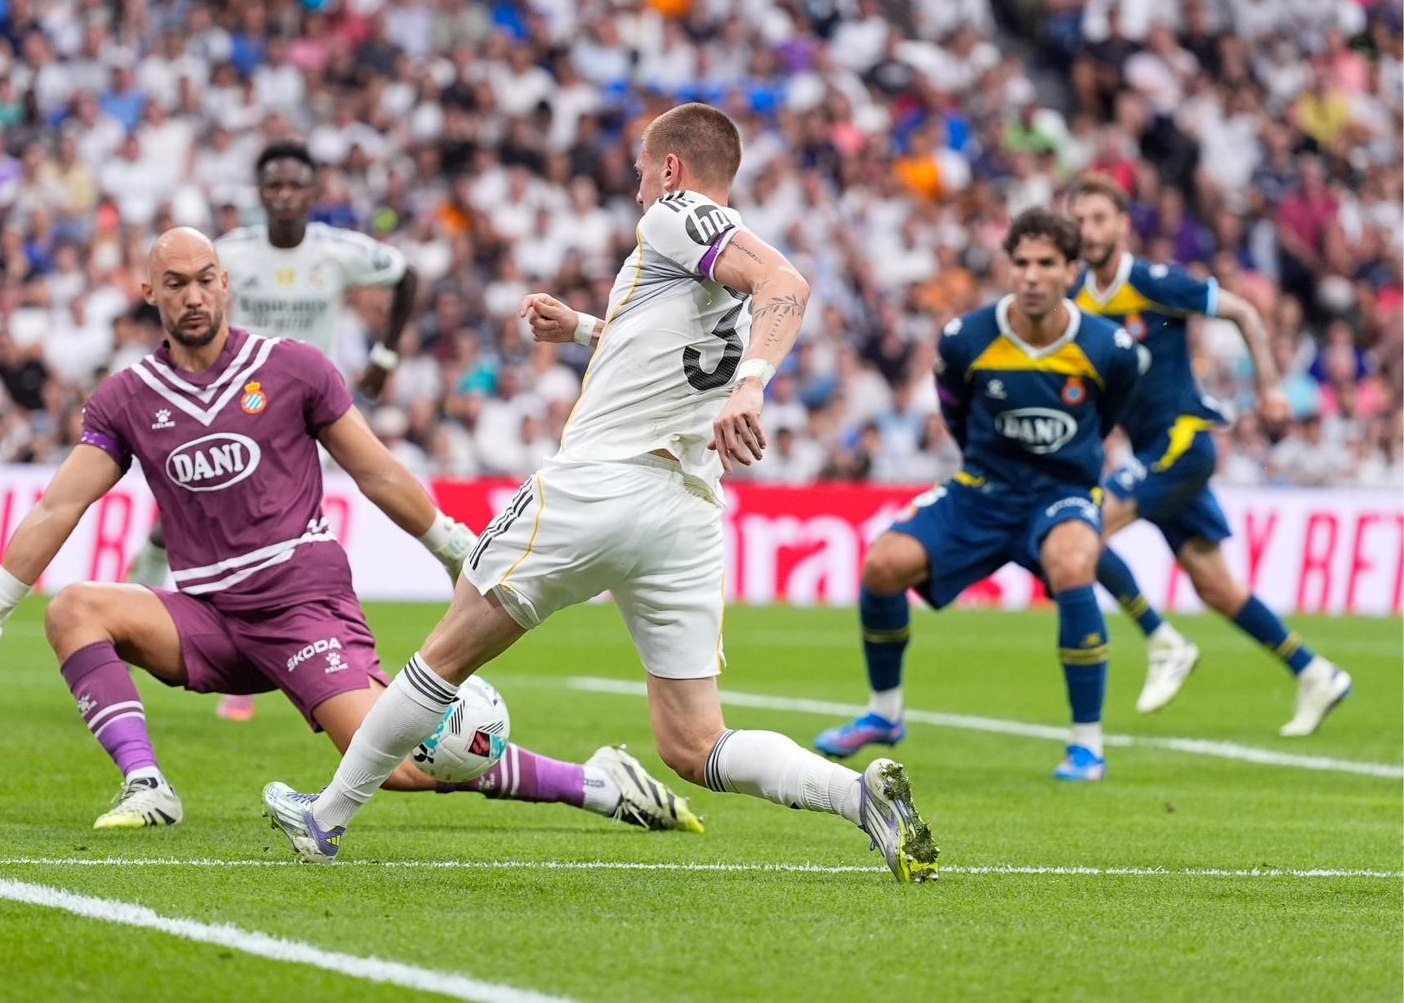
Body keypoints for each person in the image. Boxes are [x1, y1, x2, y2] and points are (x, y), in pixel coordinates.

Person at [261, 103, 940, 883]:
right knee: (694, 743)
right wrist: (584, 327)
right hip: (685, 510)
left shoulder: (676, 217)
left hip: (599, 482)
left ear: (673, 170)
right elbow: (677, 345)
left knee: (443, 657)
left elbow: (786, 282)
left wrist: (751, 385)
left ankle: (327, 817)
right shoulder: (700, 249)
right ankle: (861, 800)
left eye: (644, 171)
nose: (639, 189)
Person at [0, 227, 700, 834]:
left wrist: (457, 546)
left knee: (400, 769)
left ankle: (598, 784)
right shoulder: (125, 397)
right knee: (73, 608)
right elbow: (60, 505)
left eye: (205, 280)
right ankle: (147, 786)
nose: (193, 296)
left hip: (301, 606)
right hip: (210, 617)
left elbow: (379, 471)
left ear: (226, 284)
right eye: (175, 284)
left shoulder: (291, 367)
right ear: (149, 291)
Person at [814, 208, 1143, 782]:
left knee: (1071, 563)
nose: (1032, 276)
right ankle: (884, 713)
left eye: (1046, 264)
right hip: (982, 491)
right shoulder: (966, 338)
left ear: (1071, 270)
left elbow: (1111, 414)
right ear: (1007, 268)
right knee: (883, 565)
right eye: (1021, 263)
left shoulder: (1108, 347)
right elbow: (955, 413)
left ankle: (1086, 744)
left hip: (1062, 494)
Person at [125, 140, 420, 724]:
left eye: (295, 186)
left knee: (271, 537)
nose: (285, 196)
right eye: (274, 186)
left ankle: (256, 666)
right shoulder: (229, 255)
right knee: (195, 525)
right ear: (260, 195)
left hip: (307, 411)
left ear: (312, 193)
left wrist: (385, 358)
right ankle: (146, 587)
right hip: (230, 412)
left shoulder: (338, 252)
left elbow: (407, 276)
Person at [1067, 173, 1351, 735]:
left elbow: (1242, 311)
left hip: (1183, 443)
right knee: (1215, 586)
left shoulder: (1152, 282)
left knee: (1079, 534)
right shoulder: (1076, 299)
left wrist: (1269, 386)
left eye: (1099, 219)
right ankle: (1314, 670)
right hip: (1151, 451)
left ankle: (1161, 638)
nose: (1088, 230)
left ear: (1123, 225)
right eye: (1079, 220)